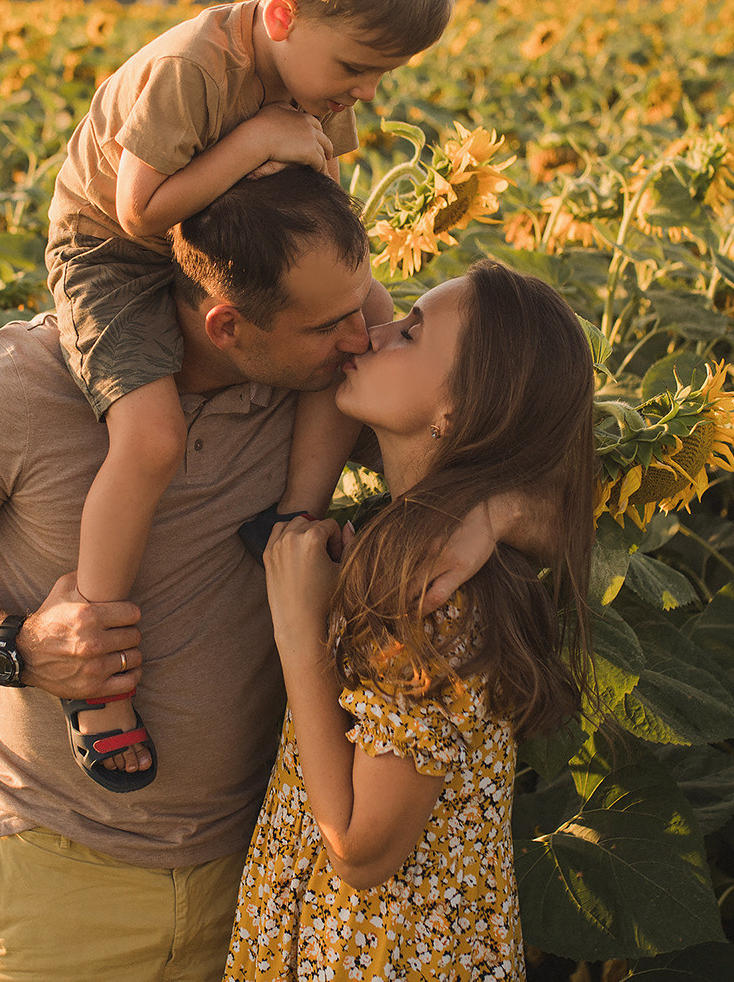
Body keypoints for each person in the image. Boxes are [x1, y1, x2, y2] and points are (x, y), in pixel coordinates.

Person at [0, 169, 547, 982]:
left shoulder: (323, 385)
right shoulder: (12, 389)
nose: (363, 335)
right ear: (228, 324)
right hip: (63, 884)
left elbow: (514, 432)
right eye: (330, 327)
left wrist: (496, 513)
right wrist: (16, 647)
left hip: (265, 886)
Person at [44, 0, 454, 786]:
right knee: (149, 437)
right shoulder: (194, 66)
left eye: (381, 76)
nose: (365, 92)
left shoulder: (317, 79)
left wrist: (361, 311)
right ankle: (97, 670)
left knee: (352, 340)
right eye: (356, 68)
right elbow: (140, 209)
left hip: (230, 239)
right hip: (112, 250)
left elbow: (315, 217)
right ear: (280, 16)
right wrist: (258, 137)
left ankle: (297, 513)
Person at [228, 260, 596, 982]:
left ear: (454, 411)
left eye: (410, 332)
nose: (372, 331)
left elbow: (361, 849)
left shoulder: (436, 597)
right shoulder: (416, 549)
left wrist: (300, 637)